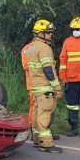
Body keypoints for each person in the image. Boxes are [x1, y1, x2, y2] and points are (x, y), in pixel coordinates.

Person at [22, 19, 64, 153]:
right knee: (44, 114)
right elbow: (48, 70)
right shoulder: (44, 48)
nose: (51, 35)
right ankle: (46, 144)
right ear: (40, 33)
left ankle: (37, 139)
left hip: (35, 87)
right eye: (48, 32)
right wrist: (57, 88)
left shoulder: (31, 48)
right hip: (45, 87)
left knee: (36, 114)